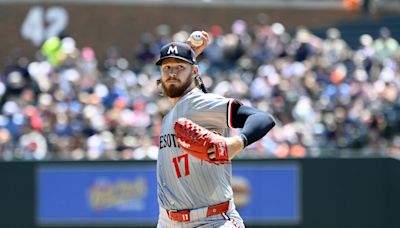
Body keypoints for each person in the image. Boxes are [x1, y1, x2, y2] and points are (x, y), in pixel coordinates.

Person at [155, 31, 276, 228]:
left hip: (211, 220)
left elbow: (262, 118)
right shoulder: (175, 111)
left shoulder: (197, 102)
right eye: (167, 67)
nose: (172, 73)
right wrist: (189, 54)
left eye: (180, 67)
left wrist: (237, 142)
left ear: (194, 72)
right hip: (168, 222)